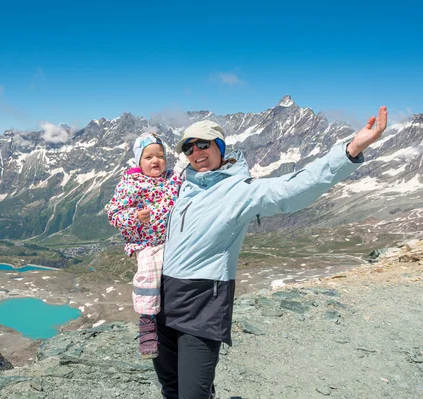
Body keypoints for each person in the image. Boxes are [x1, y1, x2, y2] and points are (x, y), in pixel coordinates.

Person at [153, 107, 388, 398]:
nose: (196, 152)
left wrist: (350, 151)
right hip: (164, 300)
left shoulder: (240, 191)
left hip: (202, 304)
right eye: (189, 148)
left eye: (203, 144)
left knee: (193, 394)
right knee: (171, 386)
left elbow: (294, 188)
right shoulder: (183, 188)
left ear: (220, 146)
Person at [107, 132, 184, 359]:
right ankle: (147, 322)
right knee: (149, 272)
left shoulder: (174, 179)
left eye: (160, 156)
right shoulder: (130, 184)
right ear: (138, 161)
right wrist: (134, 216)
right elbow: (113, 214)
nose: (155, 161)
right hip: (146, 242)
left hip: (173, 239)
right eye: (148, 157)